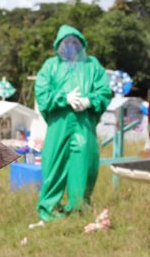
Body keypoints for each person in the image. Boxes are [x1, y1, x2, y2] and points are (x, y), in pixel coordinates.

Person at [30, 24, 112, 228]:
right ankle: (48, 211)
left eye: (75, 42)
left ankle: (78, 210)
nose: (70, 46)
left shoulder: (92, 66)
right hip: (59, 125)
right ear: (59, 45)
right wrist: (62, 98)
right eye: (66, 42)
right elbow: (42, 92)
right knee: (53, 166)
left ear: (81, 44)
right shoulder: (50, 66)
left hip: (83, 125)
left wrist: (89, 101)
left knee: (83, 165)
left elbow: (104, 92)